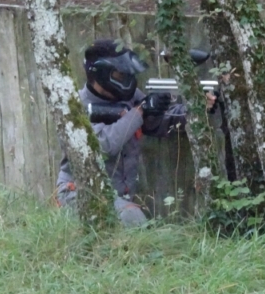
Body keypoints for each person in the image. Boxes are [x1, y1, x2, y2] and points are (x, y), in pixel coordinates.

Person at [56, 39, 216, 227]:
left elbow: (157, 122)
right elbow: (103, 145)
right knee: (132, 218)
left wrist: (196, 109)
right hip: (78, 192)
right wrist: (140, 110)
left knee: (130, 219)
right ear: (100, 74)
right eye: (119, 74)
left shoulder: (129, 97)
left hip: (117, 198)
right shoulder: (74, 108)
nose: (126, 80)